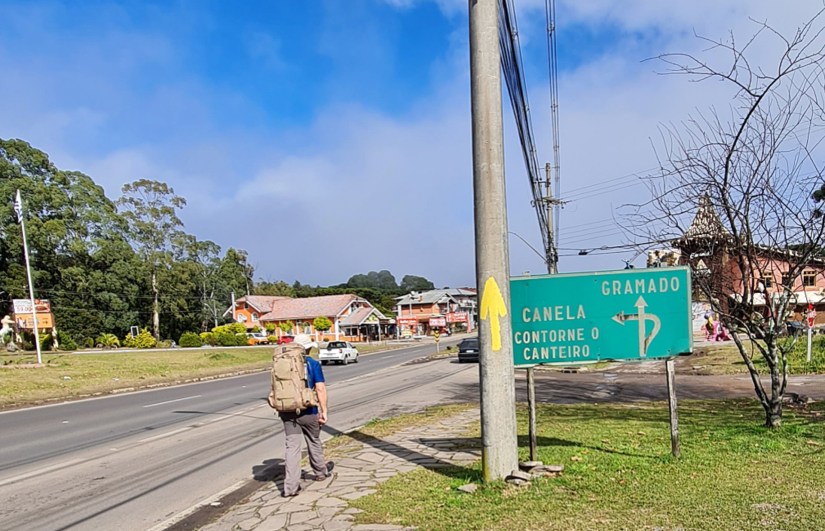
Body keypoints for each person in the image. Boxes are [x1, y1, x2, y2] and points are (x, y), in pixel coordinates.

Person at [279, 333, 334, 497]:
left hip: (288, 412)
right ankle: (320, 472)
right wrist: (324, 410)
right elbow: (320, 388)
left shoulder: (282, 363)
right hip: (309, 410)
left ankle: (290, 487)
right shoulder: (313, 364)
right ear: (308, 348)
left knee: (292, 447)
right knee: (313, 440)